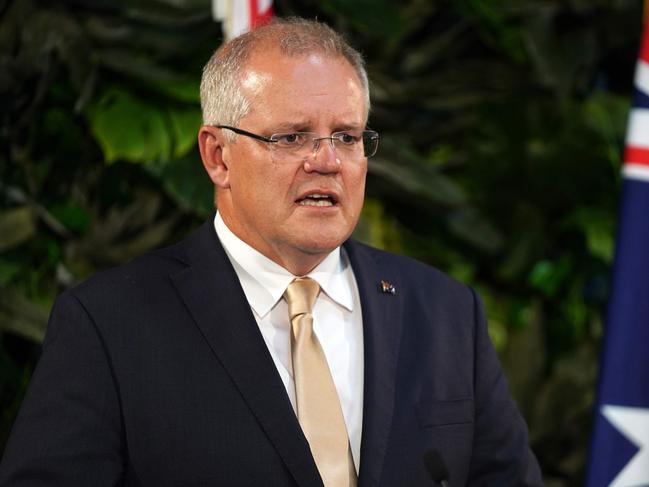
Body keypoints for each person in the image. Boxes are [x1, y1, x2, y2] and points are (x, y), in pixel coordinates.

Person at [0, 17, 542, 487]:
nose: (327, 161)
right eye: (292, 137)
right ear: (218, 156)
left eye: (347, 137)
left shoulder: (445, 312)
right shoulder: (109, 324)